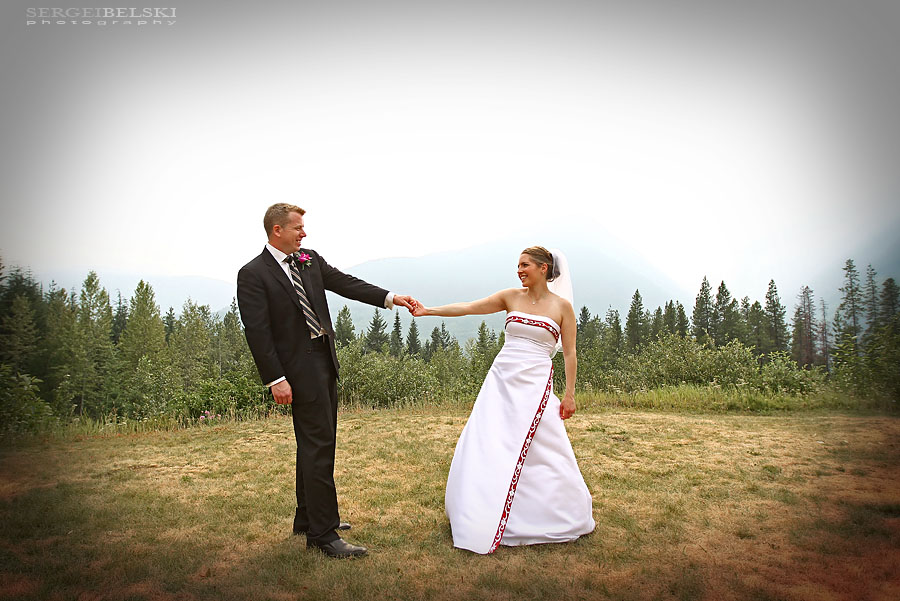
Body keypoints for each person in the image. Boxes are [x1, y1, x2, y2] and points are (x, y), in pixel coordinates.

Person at [237, 203, 417, 558]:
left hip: (324, 362)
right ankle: (324, 533)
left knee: (317, 442)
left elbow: (345, 284)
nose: (304, 234)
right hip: (295, 371)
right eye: (298, 228)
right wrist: (276, 378)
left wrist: (390, 298)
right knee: (318, 446)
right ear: (277, 230)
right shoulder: (253, 273)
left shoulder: (309, 259)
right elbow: (257, 332)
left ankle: (307, 518)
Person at [411, 246, 595, 554]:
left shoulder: (562, 307)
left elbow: (569, 353)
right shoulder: (511, 297)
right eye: (518, 265)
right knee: (490, 441)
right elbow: (469, 307)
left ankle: (551, 512)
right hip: (501, 381)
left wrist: (570, 394)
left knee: (545, 449)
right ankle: (482, 509)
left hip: (536, 385)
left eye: (525, 265)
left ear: (543, 268)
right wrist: (428, 311)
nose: (519, 270)